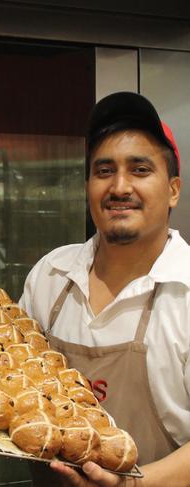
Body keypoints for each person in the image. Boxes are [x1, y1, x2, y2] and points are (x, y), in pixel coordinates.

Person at [19, 91, 190, 486]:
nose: (120, 186)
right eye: (104, 170)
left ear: (174, 190)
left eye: (141, 170)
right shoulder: (51, 274)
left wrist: (133, 484)